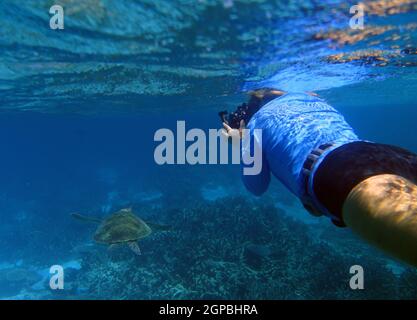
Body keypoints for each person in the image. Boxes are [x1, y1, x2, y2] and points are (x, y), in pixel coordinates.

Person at [220, 88, 417, 267]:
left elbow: (256, 187)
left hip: (338, 170)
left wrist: (242, 144)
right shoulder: (314, 101)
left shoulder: (257, 122)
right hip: (385, 152)